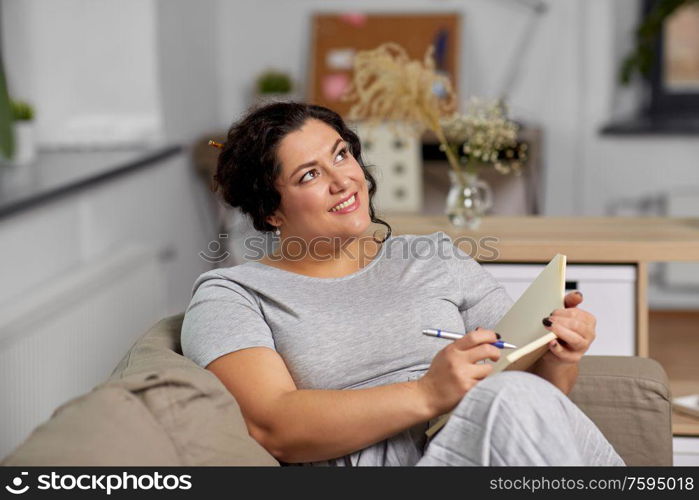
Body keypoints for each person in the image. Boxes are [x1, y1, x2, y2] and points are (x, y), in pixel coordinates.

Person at [181, 101, 625, 467]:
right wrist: (429, 392)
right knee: (508, 396)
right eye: (309, 175)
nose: (343, 181)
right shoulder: (232, 293)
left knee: (517, 396)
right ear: (271, 211)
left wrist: (559, 357)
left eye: (341, 154)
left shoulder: (435, 255)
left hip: (495, 443)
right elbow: (272, 427)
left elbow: (535, 405)